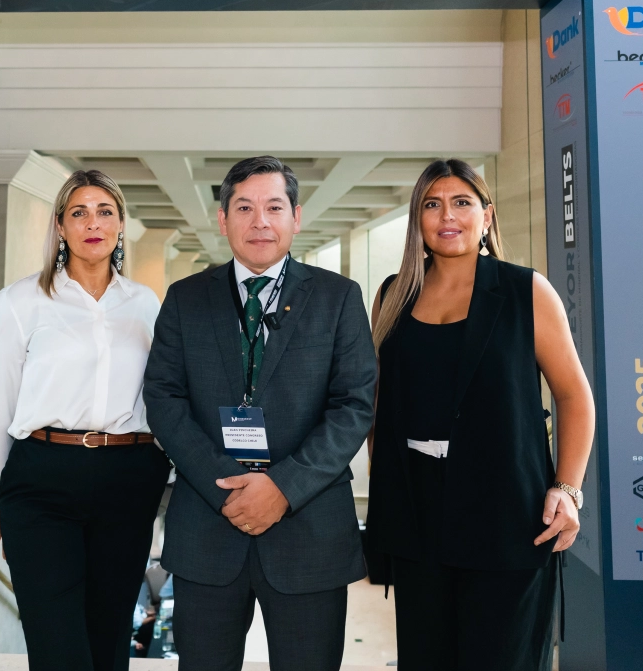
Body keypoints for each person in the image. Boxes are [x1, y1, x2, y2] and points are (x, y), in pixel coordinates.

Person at [143, 156, 376, 671]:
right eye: (244, 208)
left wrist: (282, 488)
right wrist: (226, 485)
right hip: (209, 527)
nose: (260, 221)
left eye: (274, 207)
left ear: (296, 216)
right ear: (223, 219)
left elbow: (354, 405)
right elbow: (163, 398)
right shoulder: (185, 299)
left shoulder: (338, 298)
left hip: (309, 533)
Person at [364, 159, 596, 671]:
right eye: (432, 204)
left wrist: (568, 489)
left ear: (487, 216)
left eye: (462, 203)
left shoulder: (525, 290)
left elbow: (574, 395)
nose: (447, 216)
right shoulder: (393, 295)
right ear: (418, 220)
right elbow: (379, 405)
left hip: (506, 516)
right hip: (417, 518)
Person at [0, 169, 171, 671]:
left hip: (128, 478)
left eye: (105, 212)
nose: (93, 223)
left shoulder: (145, 304)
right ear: (60, 226)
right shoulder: (21, 302)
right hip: (42, 480)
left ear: (121, 224)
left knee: (109, 641)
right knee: (56, 644)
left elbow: (163, 395)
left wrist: (164, 469)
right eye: (79, 212)